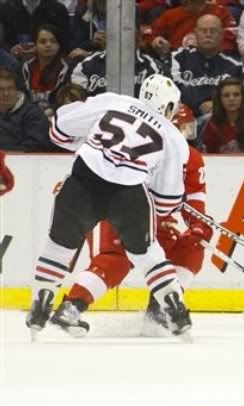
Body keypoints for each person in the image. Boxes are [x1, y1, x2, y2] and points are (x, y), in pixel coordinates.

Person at [25, 74, 193, 339]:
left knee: (58, 246)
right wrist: (148, 203)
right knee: (147, 253)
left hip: (83, 180)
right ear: (169, 106)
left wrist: (88, 144)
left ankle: (40, 306)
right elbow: (169, 199)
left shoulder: (114, 101)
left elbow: (59, 128)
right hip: (129, 193)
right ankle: (176, 311)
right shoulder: (173, 137)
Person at [50, 105, 211, 337]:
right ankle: (71, 307)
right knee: (115, 260)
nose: (186, 135)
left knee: (193, 245)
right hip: (113, 212)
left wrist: (198, 226)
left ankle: (159, 312)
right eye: (182, 129)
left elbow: (195, 204)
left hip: (155, 222)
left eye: (188, 129)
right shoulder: (139, 147)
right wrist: (155, 217)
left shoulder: (193, 159)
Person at [170, 14, 244, 120]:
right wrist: (200, 103)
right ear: (195, 33)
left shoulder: (235, 67)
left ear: (221, 35)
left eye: (213, 31)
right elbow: (170, 88)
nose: (208, 34)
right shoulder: (178, 58)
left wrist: (218, 105)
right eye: (203, 31)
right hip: (184, 121)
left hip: (222, 121)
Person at [142, 0, 237, 60]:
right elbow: (149, 34)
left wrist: (207, 48)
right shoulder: (170, 15)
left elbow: (230, 40)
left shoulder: (221, 12)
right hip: (177, 66)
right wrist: (155, 41)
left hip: (213, 65)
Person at [200, 76, 244, 153]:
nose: (231, 99)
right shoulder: (212, 125)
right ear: (219, 99)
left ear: (243, 97)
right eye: (226, 95)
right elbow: (210, 157)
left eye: (236, 94)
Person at [20, 24, 71, 117]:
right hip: (29, 116)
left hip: (58, 116)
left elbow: (67, 100)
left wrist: (49, 112)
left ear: (59, 44)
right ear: (35, 45)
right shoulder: (26, 67)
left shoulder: (68, 68)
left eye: (53, 41)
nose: (48, 45)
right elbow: (21, 96)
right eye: (43, 42)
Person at [0, 66, 52, 151]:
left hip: (23, 162)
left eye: (10, 89)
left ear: (17, 90)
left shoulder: (33, 113)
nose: (6, 93)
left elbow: (36, 147)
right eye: (0, 89)